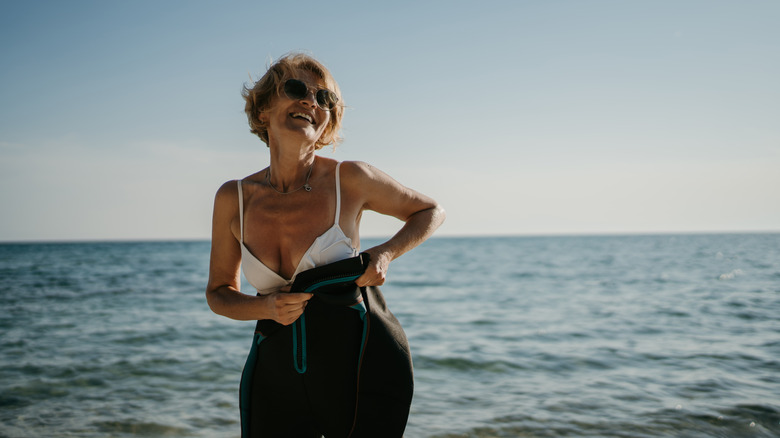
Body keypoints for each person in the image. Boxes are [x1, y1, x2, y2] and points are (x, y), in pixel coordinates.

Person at [205, 53, 445, 437]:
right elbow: (219, 293)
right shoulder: (233, 198)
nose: (311, 102)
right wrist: (263, 306)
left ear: (328, 123)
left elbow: (430, 210)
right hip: (273, 376)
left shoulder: (350, 179)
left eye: (325, 100)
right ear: (264, 108)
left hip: (354, 372)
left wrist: (385, 253)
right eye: (296, 89)